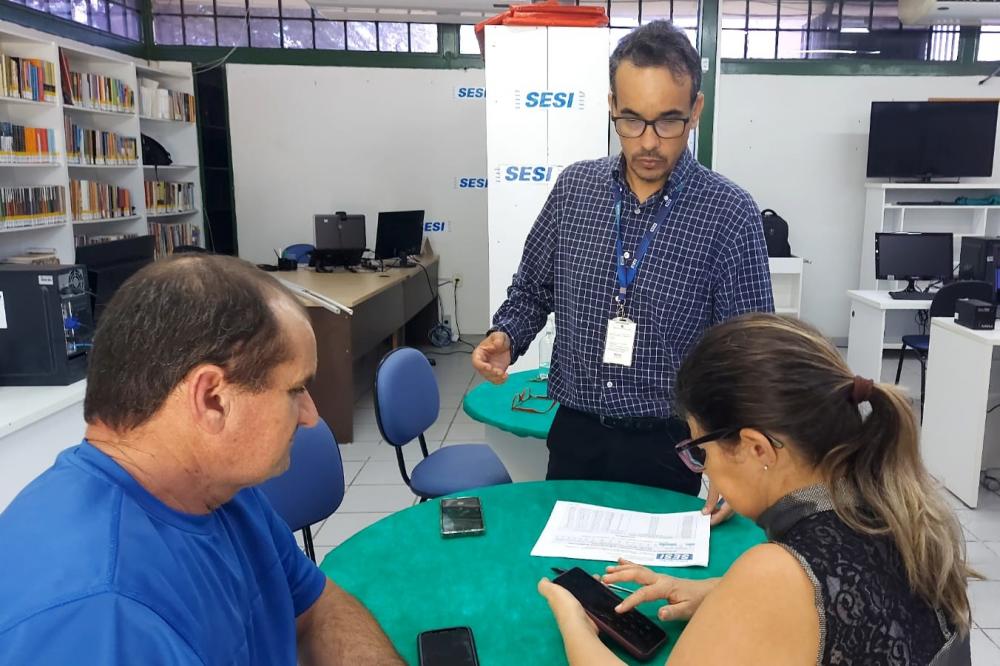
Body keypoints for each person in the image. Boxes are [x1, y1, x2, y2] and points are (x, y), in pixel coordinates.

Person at [0, 255, 404, 665]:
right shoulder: (98, 620)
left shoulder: (216, 487)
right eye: (295, 389)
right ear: (212, 399)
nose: (311, 416)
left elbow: (315, 608)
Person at [538, 313, 972, 665]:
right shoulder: (903, 512)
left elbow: (793, 593)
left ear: (756, 447)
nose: (703, 468)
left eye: (700, 449)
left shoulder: (777, 573)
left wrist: (574, 619)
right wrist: (720, 591)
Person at [472, 20, 774, 502]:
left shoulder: (729, 213)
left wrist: (731, 464)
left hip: (668, 444)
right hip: (576, 435)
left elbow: (747, 356)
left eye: (668, 120)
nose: (648, 142)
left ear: (696, 110)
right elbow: (533, 289)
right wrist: (507, 335)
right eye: (631, 119)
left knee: (648, 578)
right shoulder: (575, 191)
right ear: (611, 105)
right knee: (566, 574)